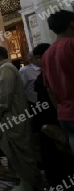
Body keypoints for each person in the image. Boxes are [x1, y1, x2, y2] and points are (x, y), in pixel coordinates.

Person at [0, 45, 40, 190]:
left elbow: (5, 93)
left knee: (20, 151)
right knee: (15, 152)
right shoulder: (2, 69)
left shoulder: (6, 69)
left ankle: (28, 182)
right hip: (9, 117)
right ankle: (28, 180)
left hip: (12, 117)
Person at [33, 42, 74, 186]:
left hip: (56, 117)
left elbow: (52, 94)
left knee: (59, 155)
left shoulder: (52, 71)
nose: (36, 61)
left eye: (38, 57)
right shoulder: (47, 72)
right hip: (51, 117)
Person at [41, 10, 74, 154]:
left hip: (64, 115)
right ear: (72, 24)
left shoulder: (47, 54)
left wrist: (60, 109)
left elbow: (50, 90)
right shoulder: (71, 44)